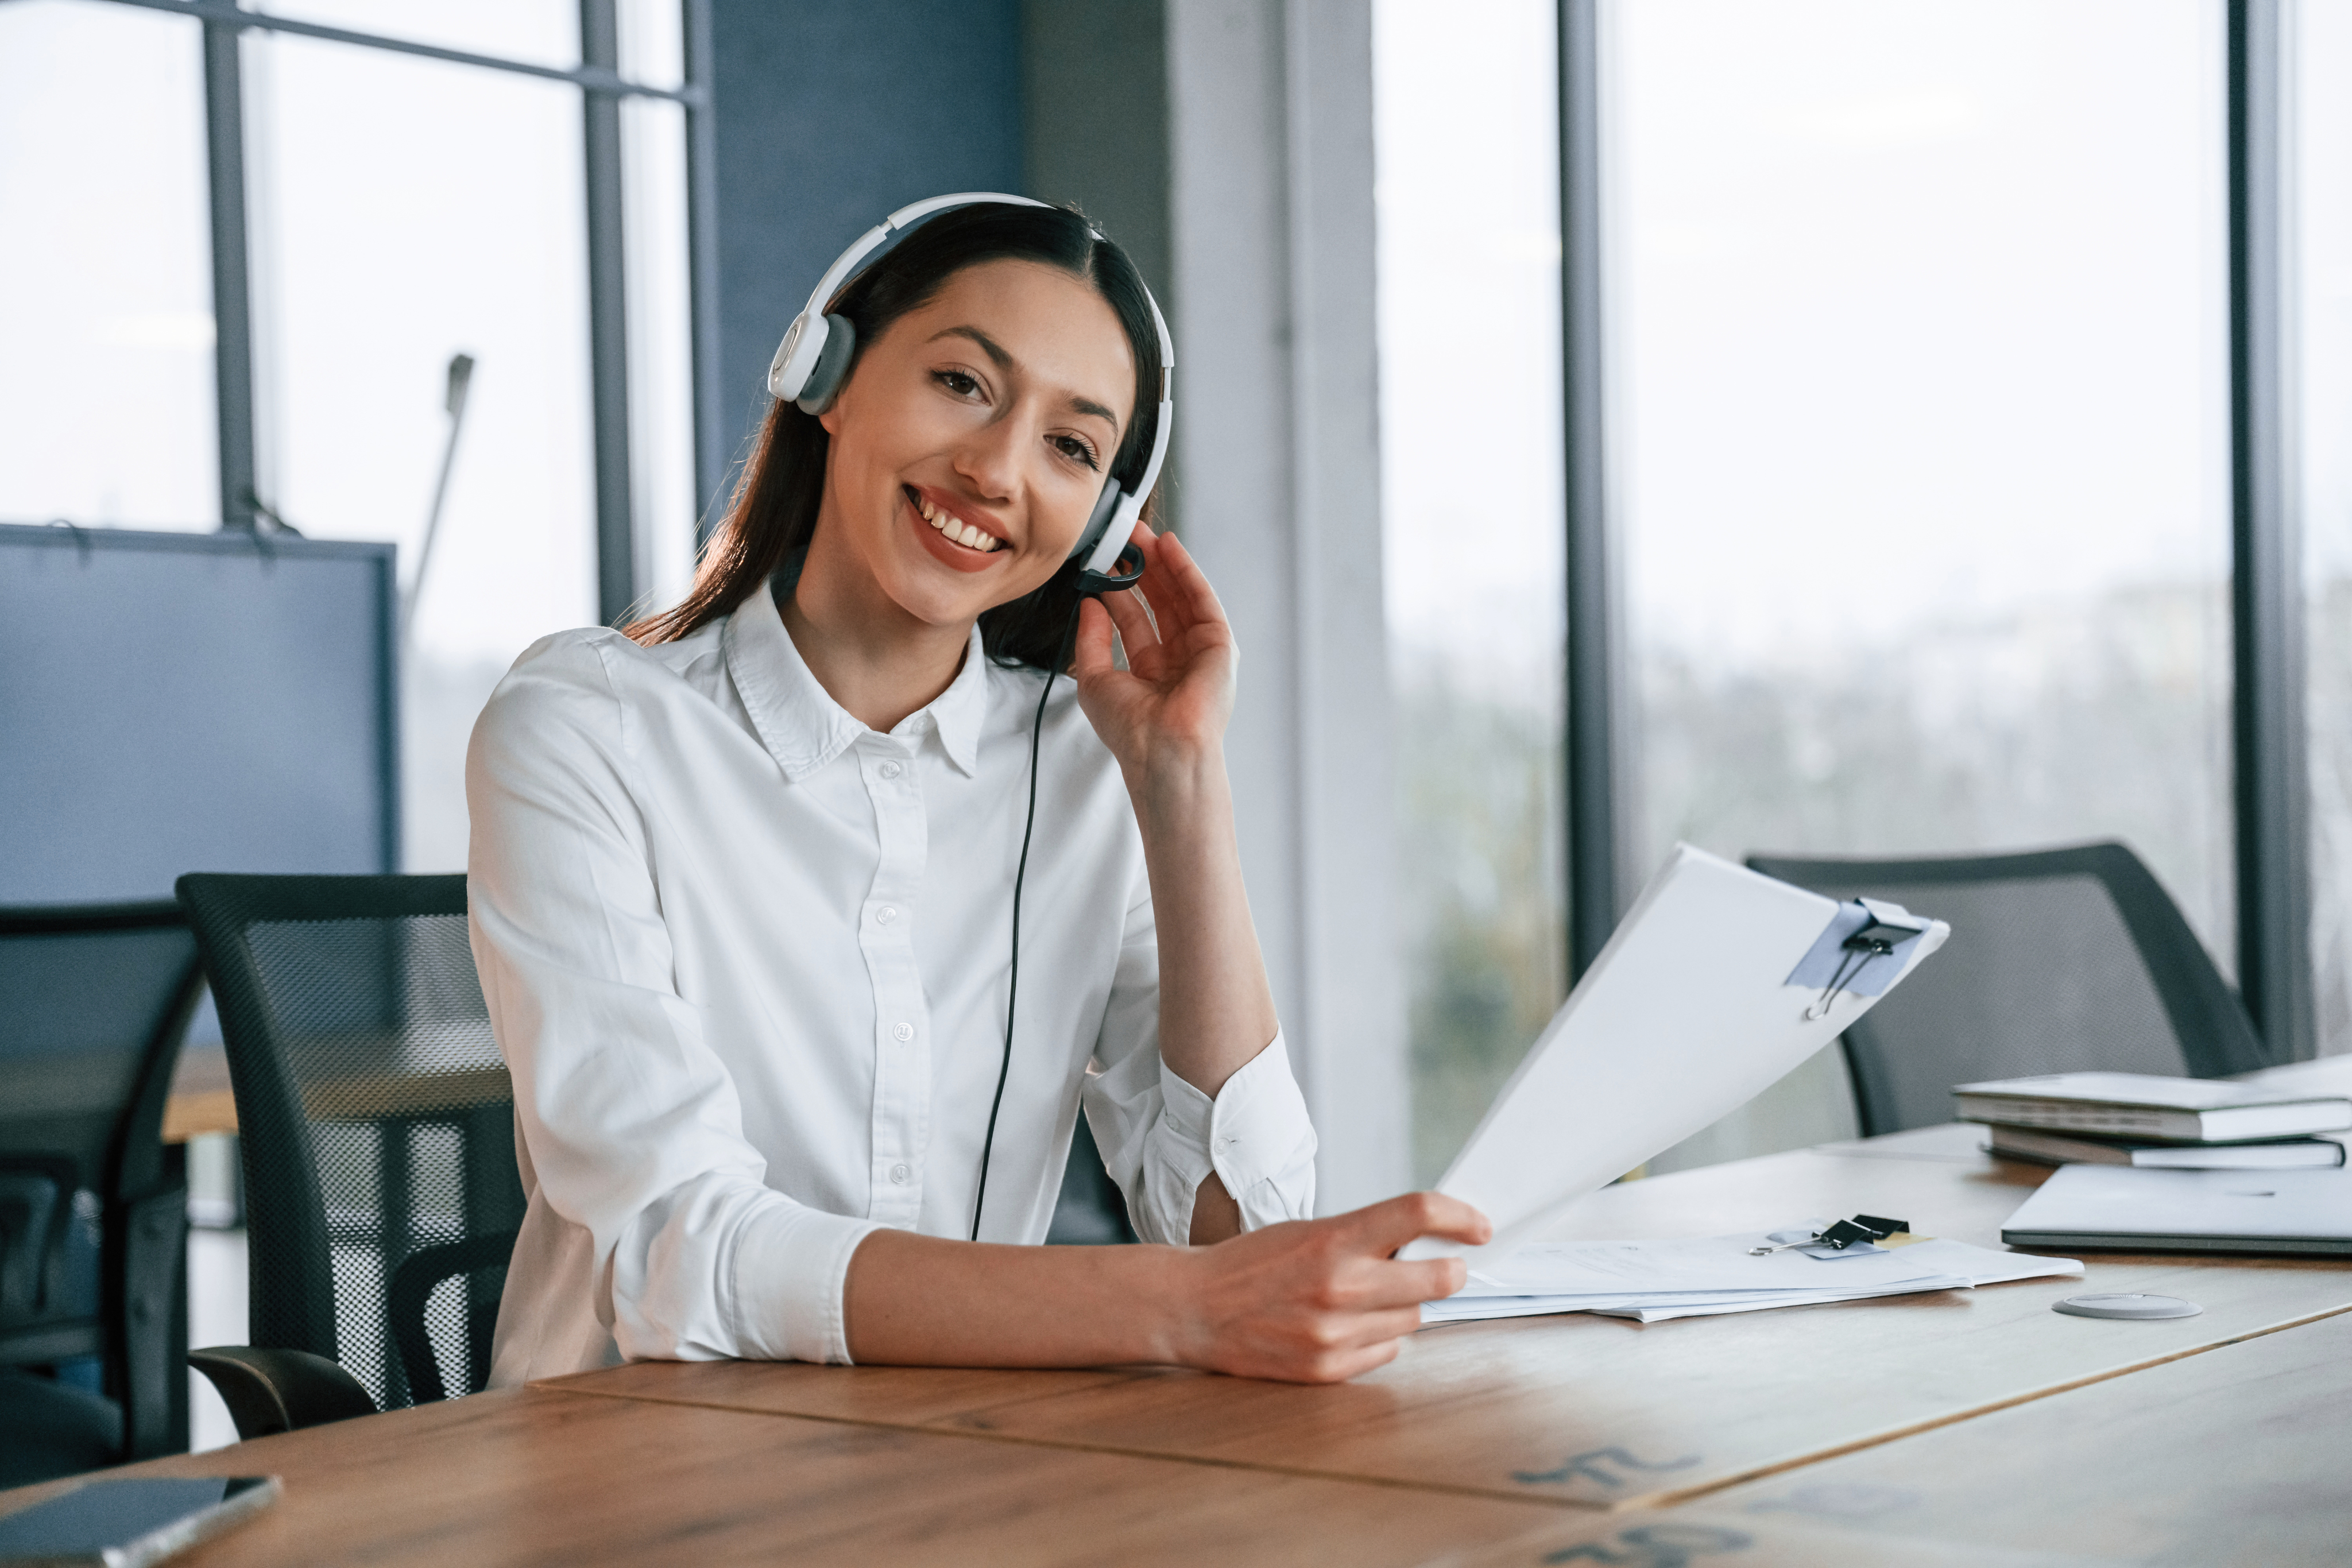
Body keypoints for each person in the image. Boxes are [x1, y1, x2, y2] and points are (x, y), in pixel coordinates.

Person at [467, 199, 1488, 1388]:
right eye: (962, 382)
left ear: (1105, 523)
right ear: (826, 372)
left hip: (963, 1465)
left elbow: (1242, 1232)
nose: (997, 470)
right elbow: (673, 1251)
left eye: (1070, 447)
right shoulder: (589, 726)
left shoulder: (1083, 761)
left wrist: (1180, 783)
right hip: (634, 1479)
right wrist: (1177, 1309)